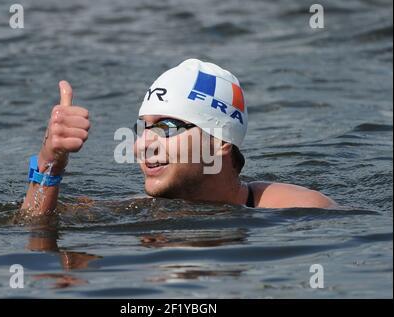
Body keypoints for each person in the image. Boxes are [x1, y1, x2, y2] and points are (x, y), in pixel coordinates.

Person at [21, 59, 337, 215]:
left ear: (220, 141)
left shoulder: (298, 209)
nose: (143, 144)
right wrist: (51, 163)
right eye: (142, 128)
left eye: (167, 127)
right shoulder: (138, 213)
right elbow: (34, 228)